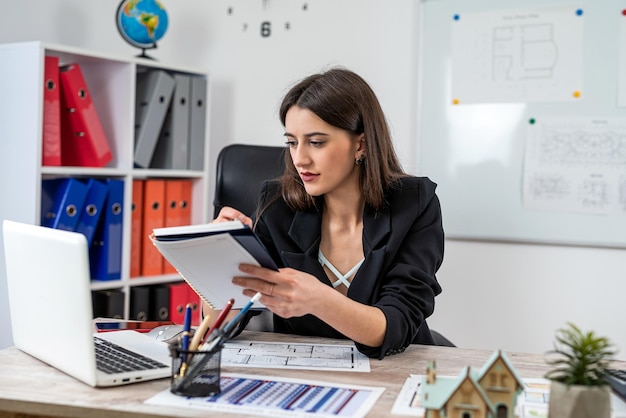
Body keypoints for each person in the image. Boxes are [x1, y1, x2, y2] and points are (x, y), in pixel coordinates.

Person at [211, 67, 444, 359]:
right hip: (303, 374)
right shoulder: (276, 206)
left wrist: (321, 300)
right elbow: (226, 324)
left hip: (394, 371)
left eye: (316, 142)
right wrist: (217, 258)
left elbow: (398, 324)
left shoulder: (415, 204)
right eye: (292, 142)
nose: (299, 159)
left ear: (360, 144)